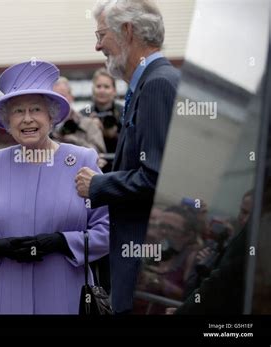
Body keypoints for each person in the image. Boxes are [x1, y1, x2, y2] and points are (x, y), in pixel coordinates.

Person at [0, 61, 109, 314]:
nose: (27, 119)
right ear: (8, 121)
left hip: (65, 294)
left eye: (36, 109)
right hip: (5, 296)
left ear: (51, 116)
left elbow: (107, 229)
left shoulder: (82, 159)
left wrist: (62, 242)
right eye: (18, 111)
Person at [75, 0, 180, 314]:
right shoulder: (153, 82)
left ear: (128, 31)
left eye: (101, 34)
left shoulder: (158, 84)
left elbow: (156, 177)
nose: (97, 46)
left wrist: (99, 184)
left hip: (145, 267)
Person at [51, 77, 106, 155]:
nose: (59, 101)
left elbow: (99, 154)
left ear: (71, 97)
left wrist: (75, 141)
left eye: (62, 96)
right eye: (54, 97)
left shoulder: (88, 124)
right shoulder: (44, 126)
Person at [81, 68, 121, 156]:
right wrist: (90, 128)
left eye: (106, 87)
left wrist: (113, 135)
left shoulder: (124, 112)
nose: (102, 91)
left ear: (114, 91)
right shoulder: (83, 115)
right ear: (93, 90)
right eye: (98, 86)